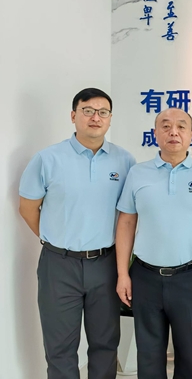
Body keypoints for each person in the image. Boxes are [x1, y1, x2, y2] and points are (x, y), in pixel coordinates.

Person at [18, 87, 136, 379]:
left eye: (103, 112)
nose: (96, 118)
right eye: (88, 111)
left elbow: (129, 216)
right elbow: (28, 208)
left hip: (105, 264)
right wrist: (56, 238)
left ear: (110, 119)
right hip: (58, 265)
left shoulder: (124, 161)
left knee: (105, 343)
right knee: (60, 348)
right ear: (73, 116)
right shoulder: (48, 159)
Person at [115, 108, 192, 379]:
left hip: (190, 278)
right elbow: (126, 224)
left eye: (181, 126)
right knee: (148, 354)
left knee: (189, 355)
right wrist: (123, 274)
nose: (173, 132)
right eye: (165, 126)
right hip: (145, 277)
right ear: (155, 133)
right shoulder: (138, 173)